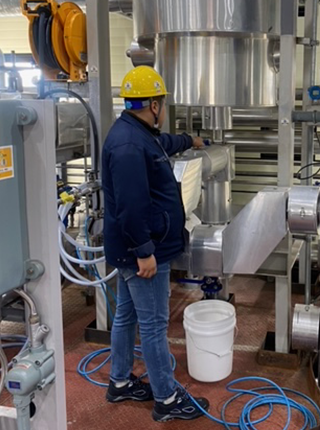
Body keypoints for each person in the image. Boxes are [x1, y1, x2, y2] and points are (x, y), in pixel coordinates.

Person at [101, 66, 209, 422]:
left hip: (134, 248)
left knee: (127, 316)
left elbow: (164, 144)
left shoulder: (138, 134)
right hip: (144, 252)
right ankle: (166, 399)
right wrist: (145, 251)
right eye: (161, 102)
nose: (162, 108)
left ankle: (119, 382)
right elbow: (131, 206)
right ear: (153, 105)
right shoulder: (130, 146)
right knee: (153, 324)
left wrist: (189, 140)